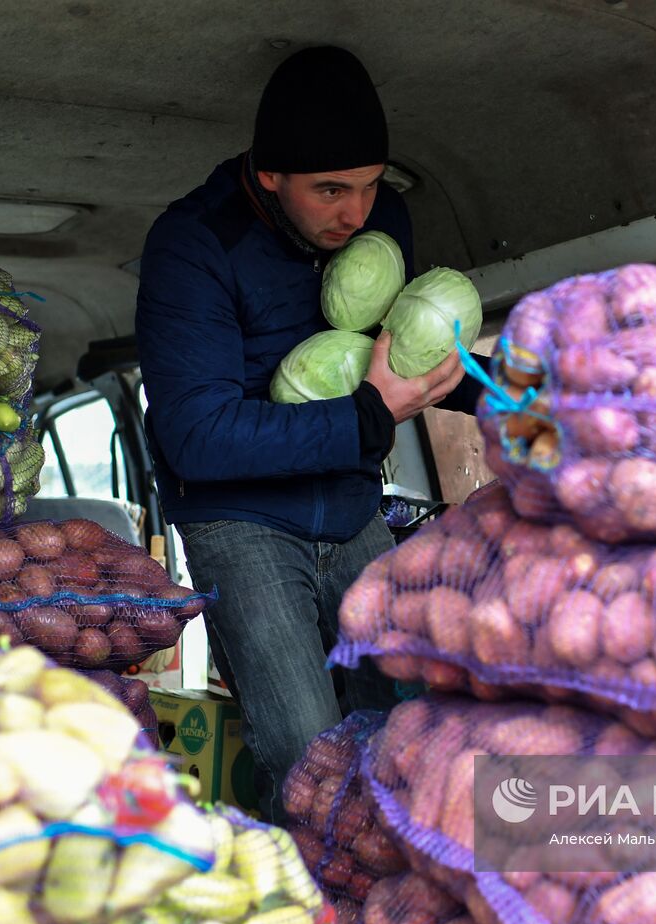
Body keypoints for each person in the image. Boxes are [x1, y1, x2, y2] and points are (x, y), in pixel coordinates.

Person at [135, 45, 486, 824]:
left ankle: (411, 899)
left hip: (352, 505)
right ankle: (318, 916)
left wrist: (501, 397)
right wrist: (366, 416)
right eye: (331, 190)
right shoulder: (193, 247)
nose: (356, 214)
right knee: (305, 744)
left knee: (410, 716)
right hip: (242, 523)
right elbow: (199, 436)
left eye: (369, 186)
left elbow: (396, 357)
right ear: (269, 176)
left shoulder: (380, 223)